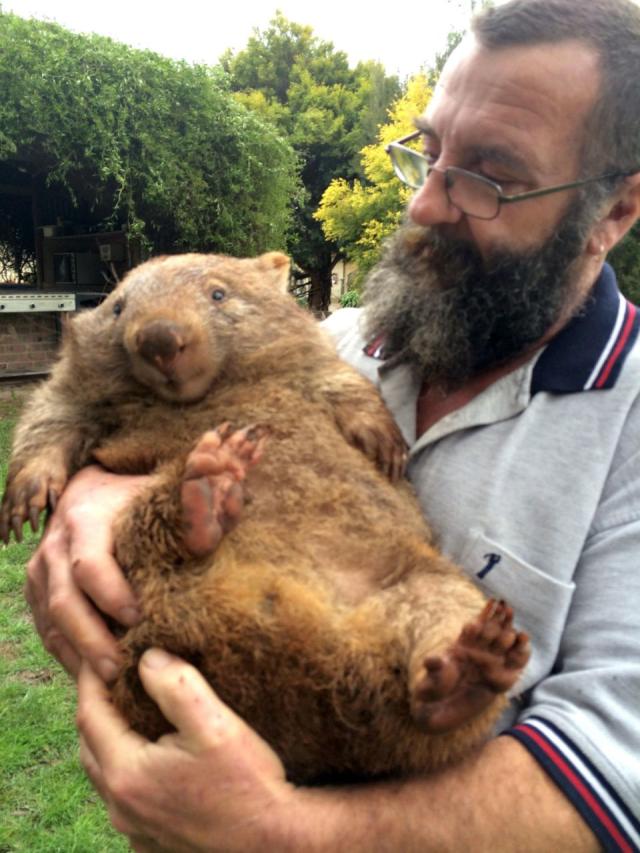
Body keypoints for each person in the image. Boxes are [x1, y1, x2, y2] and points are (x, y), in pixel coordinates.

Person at [25, 0, 640, 849]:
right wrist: (92, 493)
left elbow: (618, 773)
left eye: (489, 176)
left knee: (449, 621)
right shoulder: (338, 343)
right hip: (223, 630)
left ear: (613, 211)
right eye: (428, 154)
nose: (426, 204)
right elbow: (147, 407)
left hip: (380, 714)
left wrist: (278, 827)